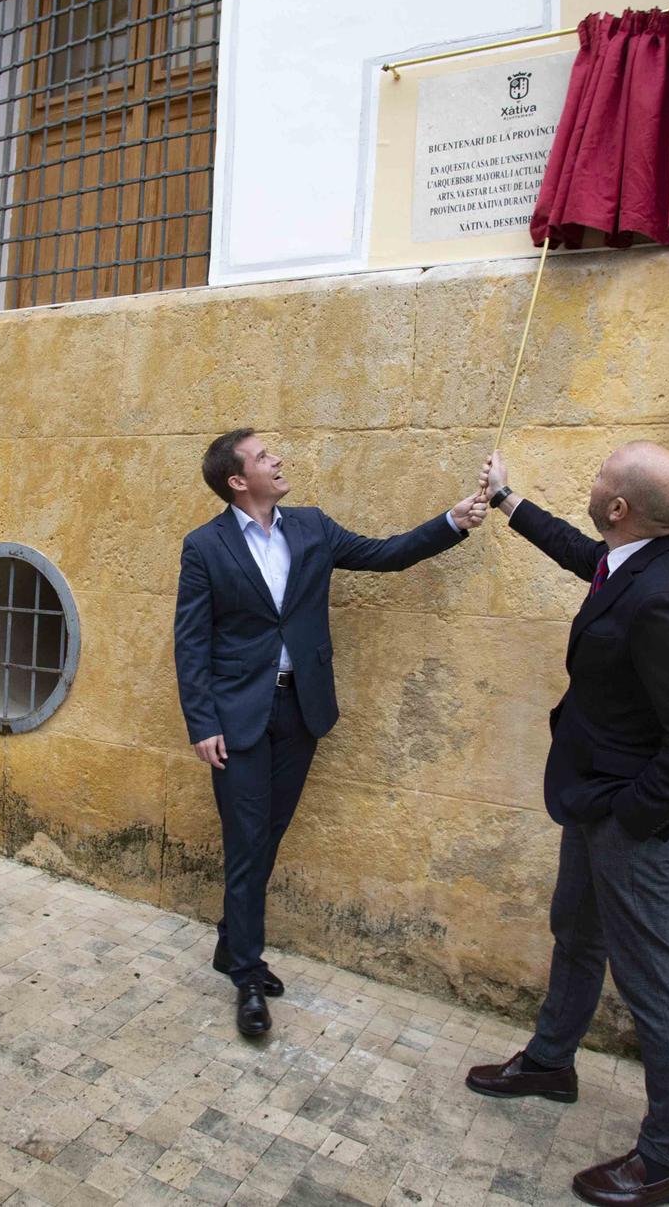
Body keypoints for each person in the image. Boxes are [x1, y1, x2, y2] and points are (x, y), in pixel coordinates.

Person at [463, 443, 669, 1207]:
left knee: (652, 983)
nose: (594, 484)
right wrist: (510, 502)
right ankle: (551, 1060)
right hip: (592, 796)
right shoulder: (634, 558)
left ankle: (668, 1159)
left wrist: (632, 815)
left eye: (602, 481)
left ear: (620, 508)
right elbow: (587, 557)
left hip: (630, 816)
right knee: (574, 931)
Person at [174, 428, 487, 1038]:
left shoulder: (312, 526)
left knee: (268, 833)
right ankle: (246, 974)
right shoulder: (203, 547)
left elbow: (386, 553)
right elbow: (192, 640)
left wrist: (452, 520)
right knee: (244, 838)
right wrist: (202, 721)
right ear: (238, 481)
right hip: (237, 718)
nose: (278, 458)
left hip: (301, 712)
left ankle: (228, 940)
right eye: (265, 456)